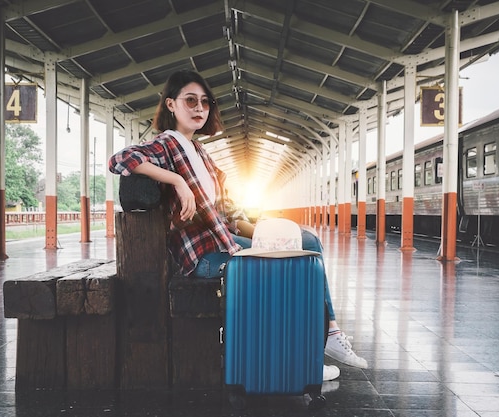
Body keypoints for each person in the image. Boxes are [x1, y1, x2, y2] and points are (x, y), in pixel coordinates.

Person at [108, 70, 366, 381]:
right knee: (287, 269)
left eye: (205, 102)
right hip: (204, 257)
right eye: (190, 100)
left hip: (226, 242)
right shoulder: (167, 144)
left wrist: (263, 230)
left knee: (307, 242)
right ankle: (300, 356)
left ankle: (331, 332)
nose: (199, 107)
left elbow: (226, 211)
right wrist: (176, 180)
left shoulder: (200, 152)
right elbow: (119, 159)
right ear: (171, 105)